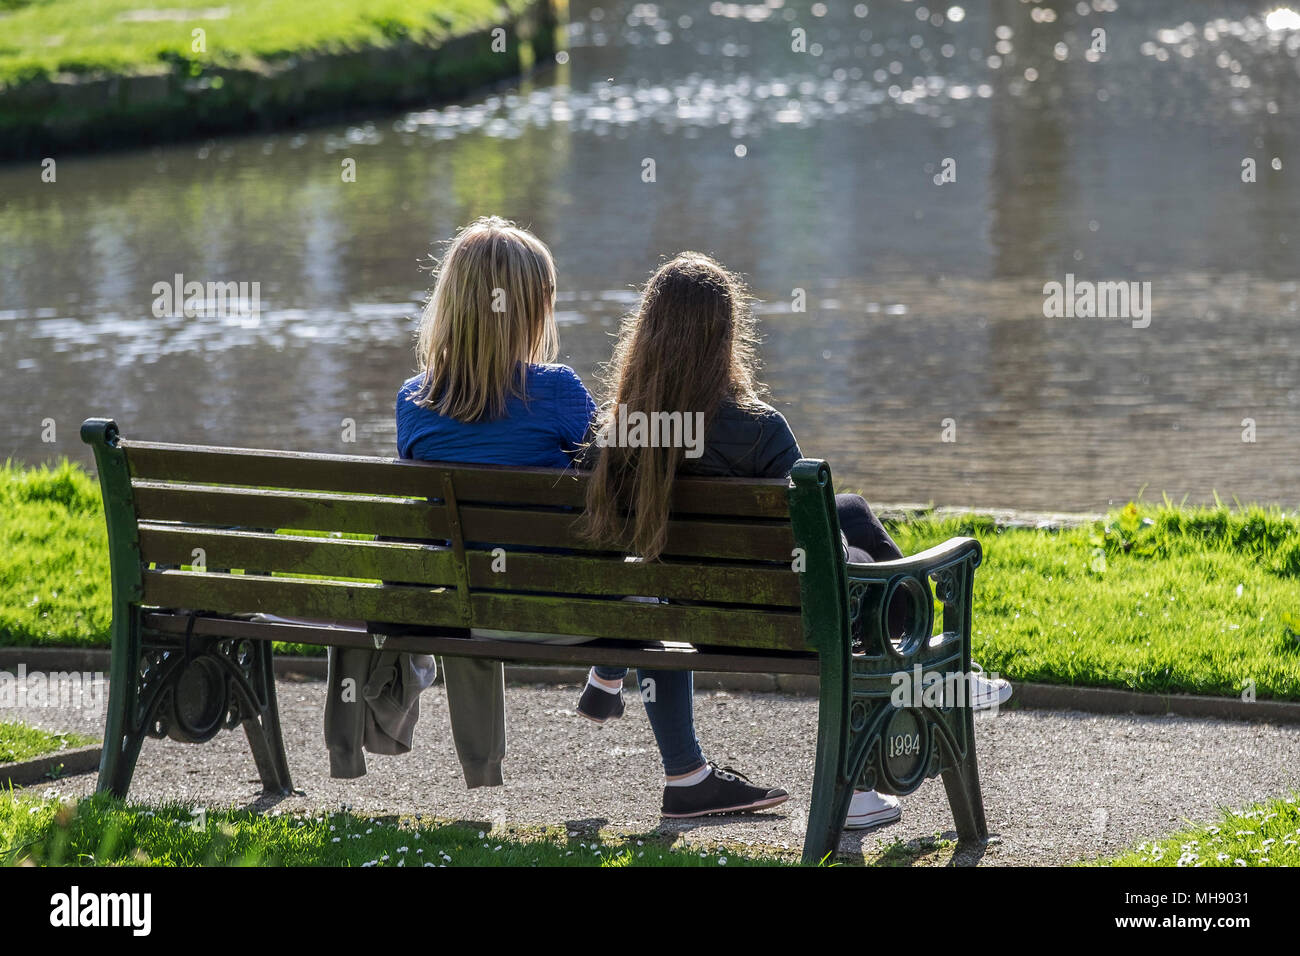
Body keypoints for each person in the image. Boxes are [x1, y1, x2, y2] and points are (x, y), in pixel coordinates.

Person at [575, 251, 1011, 831]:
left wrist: (613, 654)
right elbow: (822, 553)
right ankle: (891, 733)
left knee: (850, 509)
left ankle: (934, 673)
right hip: (783, 624)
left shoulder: (617, 430)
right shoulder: (759, 428)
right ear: (725, 337)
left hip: (683, 613)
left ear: (645, 334)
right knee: (867, 577)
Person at [397, 216, 788, 817]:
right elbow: (621, 488)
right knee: (639, 591)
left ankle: (607, 685)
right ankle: (685, 775)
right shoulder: (556, 392)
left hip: (465, 614)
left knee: (618, 578)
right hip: (568, 614)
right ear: (531, 310)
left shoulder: (413, 402)